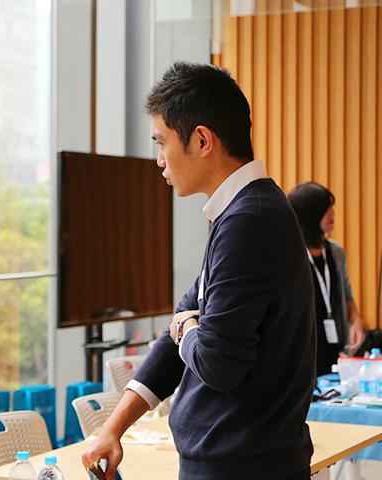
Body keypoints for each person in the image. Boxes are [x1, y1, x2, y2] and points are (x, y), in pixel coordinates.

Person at [82, 62, 316, 479]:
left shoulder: (250, 221)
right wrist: (113, 429)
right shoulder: (244, 212)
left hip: (240, 467)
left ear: (202, 140)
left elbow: (217, 362)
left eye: (162, 142)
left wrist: (188, 329)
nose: (159, 161)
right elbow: (183, 321)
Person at [288, 182, 366, 375]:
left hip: (334, 346)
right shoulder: (290, 254)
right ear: (310, 214)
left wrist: (356, 322)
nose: (333, 215)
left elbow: (347, 294)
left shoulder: (335, 252)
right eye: (326, 210)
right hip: (302, 348)